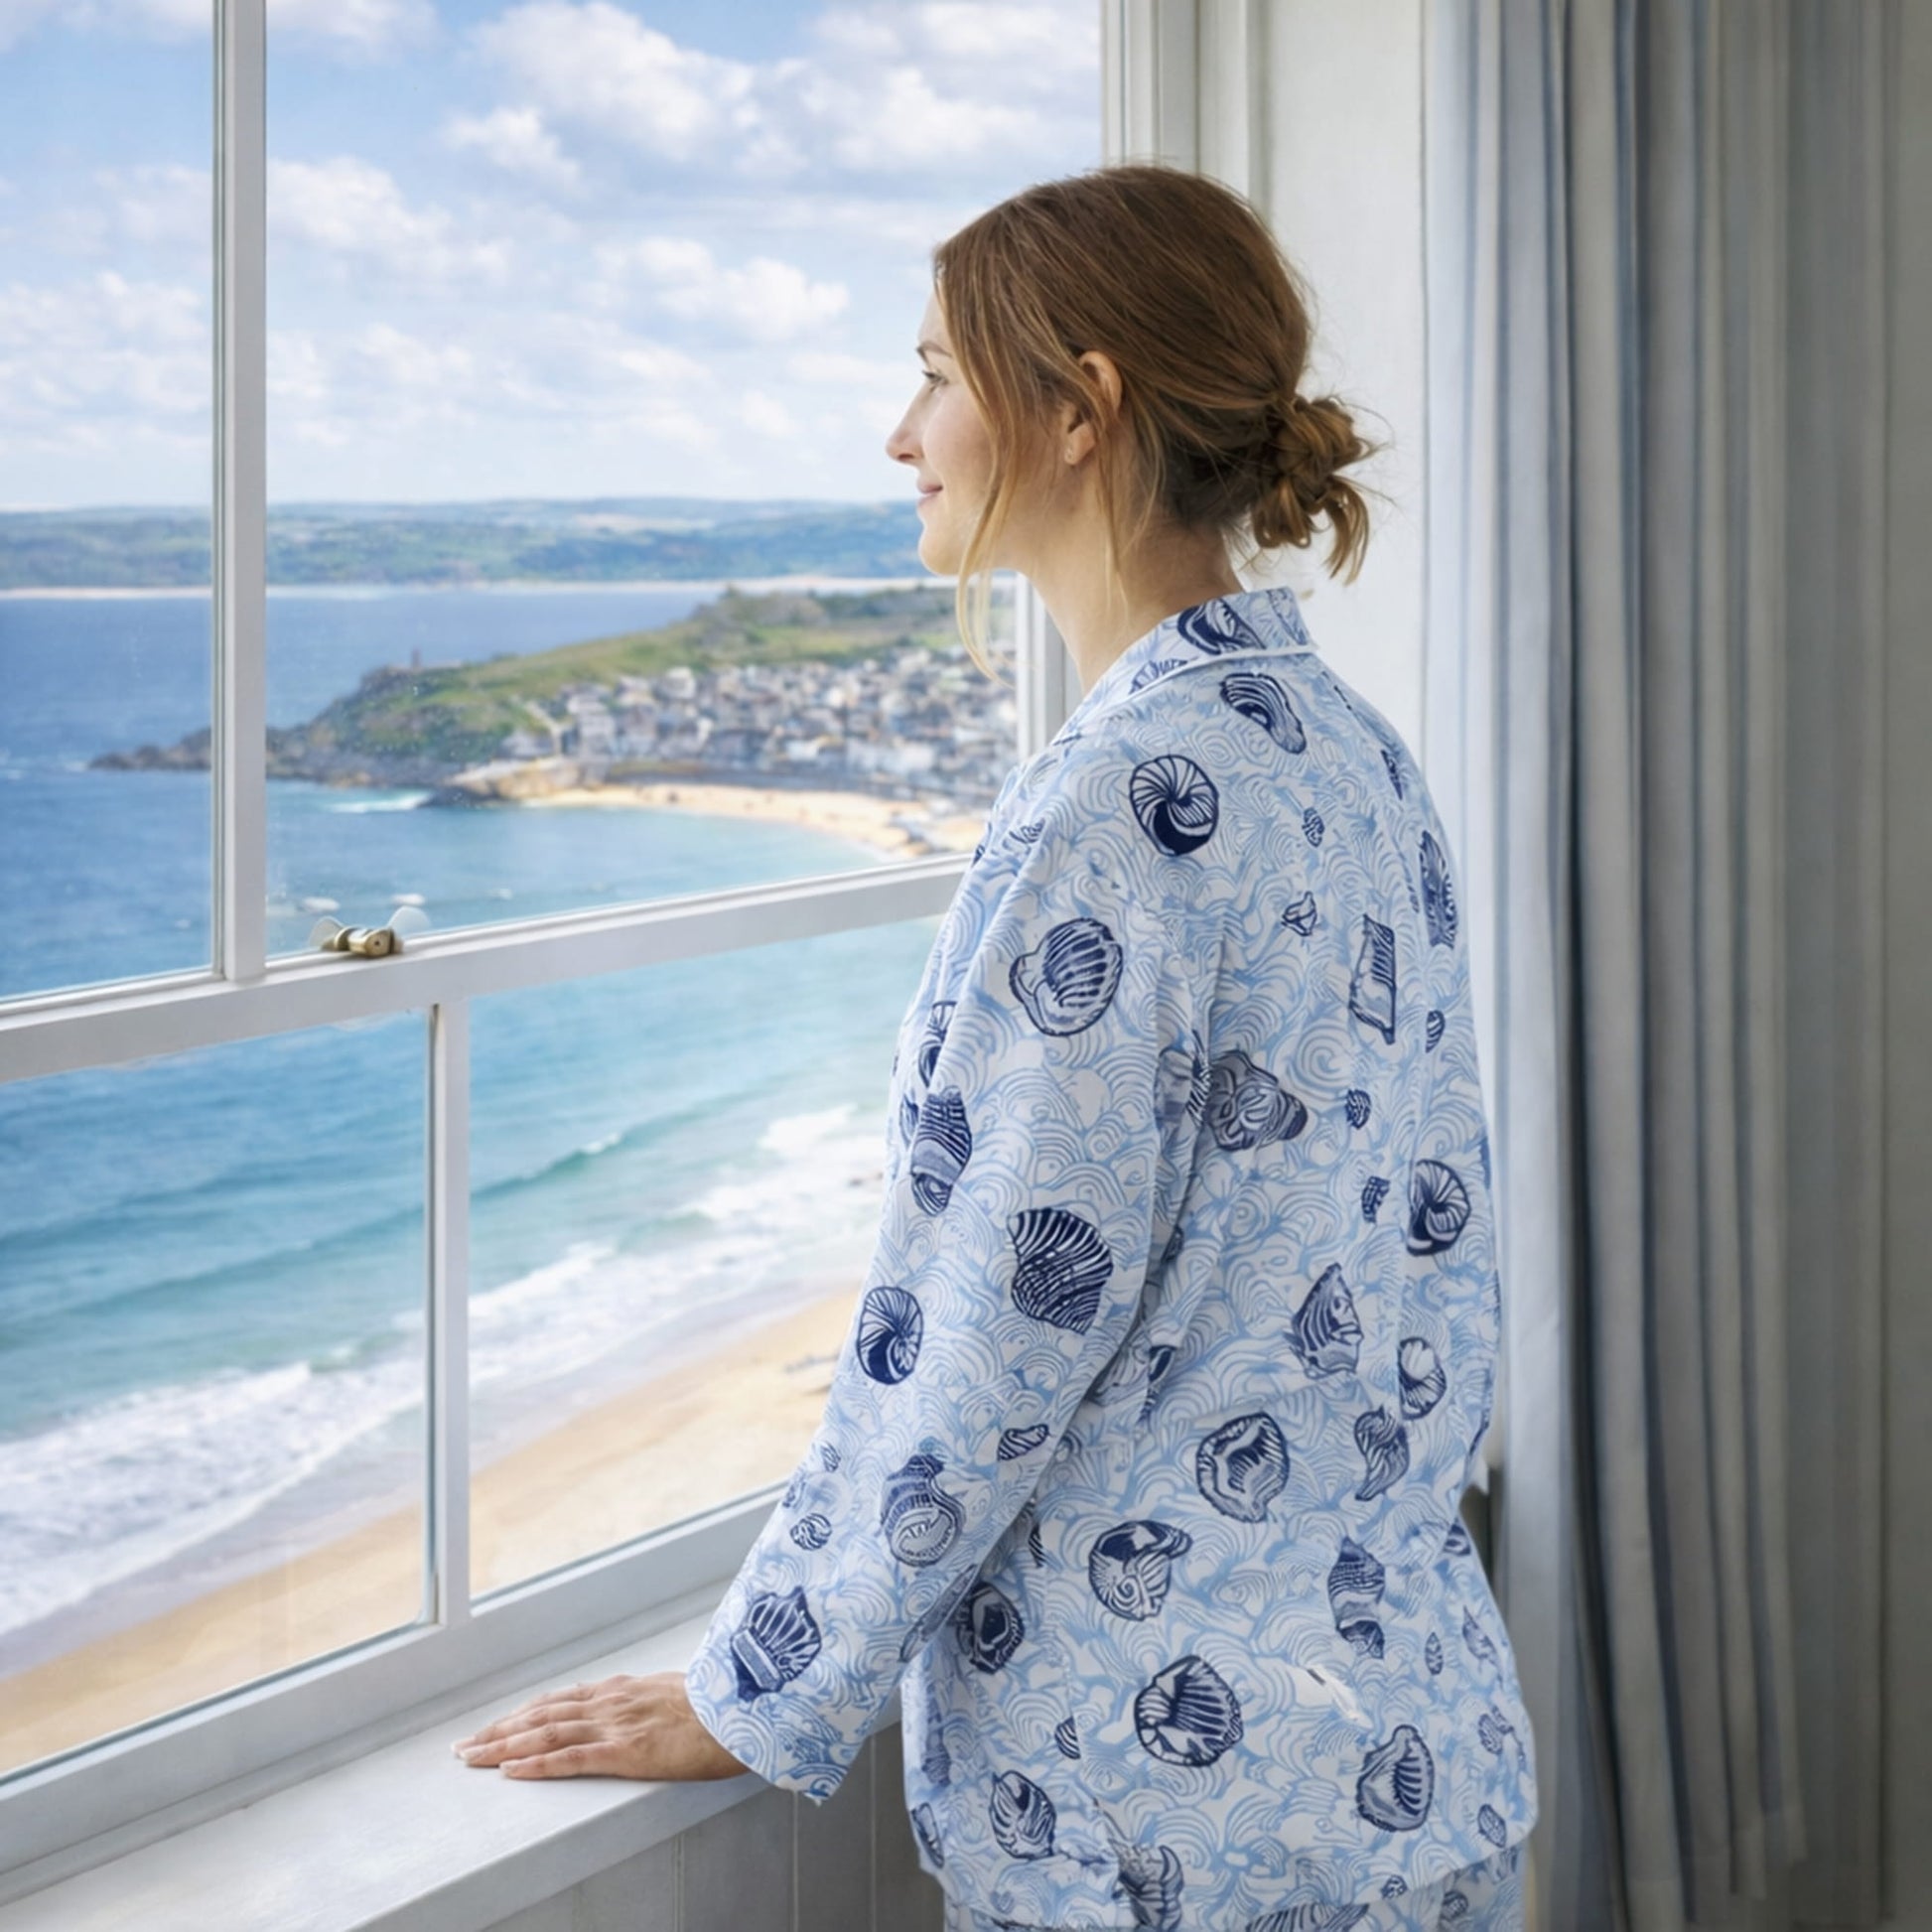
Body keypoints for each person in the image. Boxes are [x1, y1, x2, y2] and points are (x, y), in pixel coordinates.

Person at [454, 162, 1538, 1932]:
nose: (900, 435)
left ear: (1078, 408)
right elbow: (1427, 1245)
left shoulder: (1117, 807)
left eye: (935, 376)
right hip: (1414, 1764)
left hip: (1163, 1826)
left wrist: (760, 1686)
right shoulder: (1342, 744)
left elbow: (981, 1330)